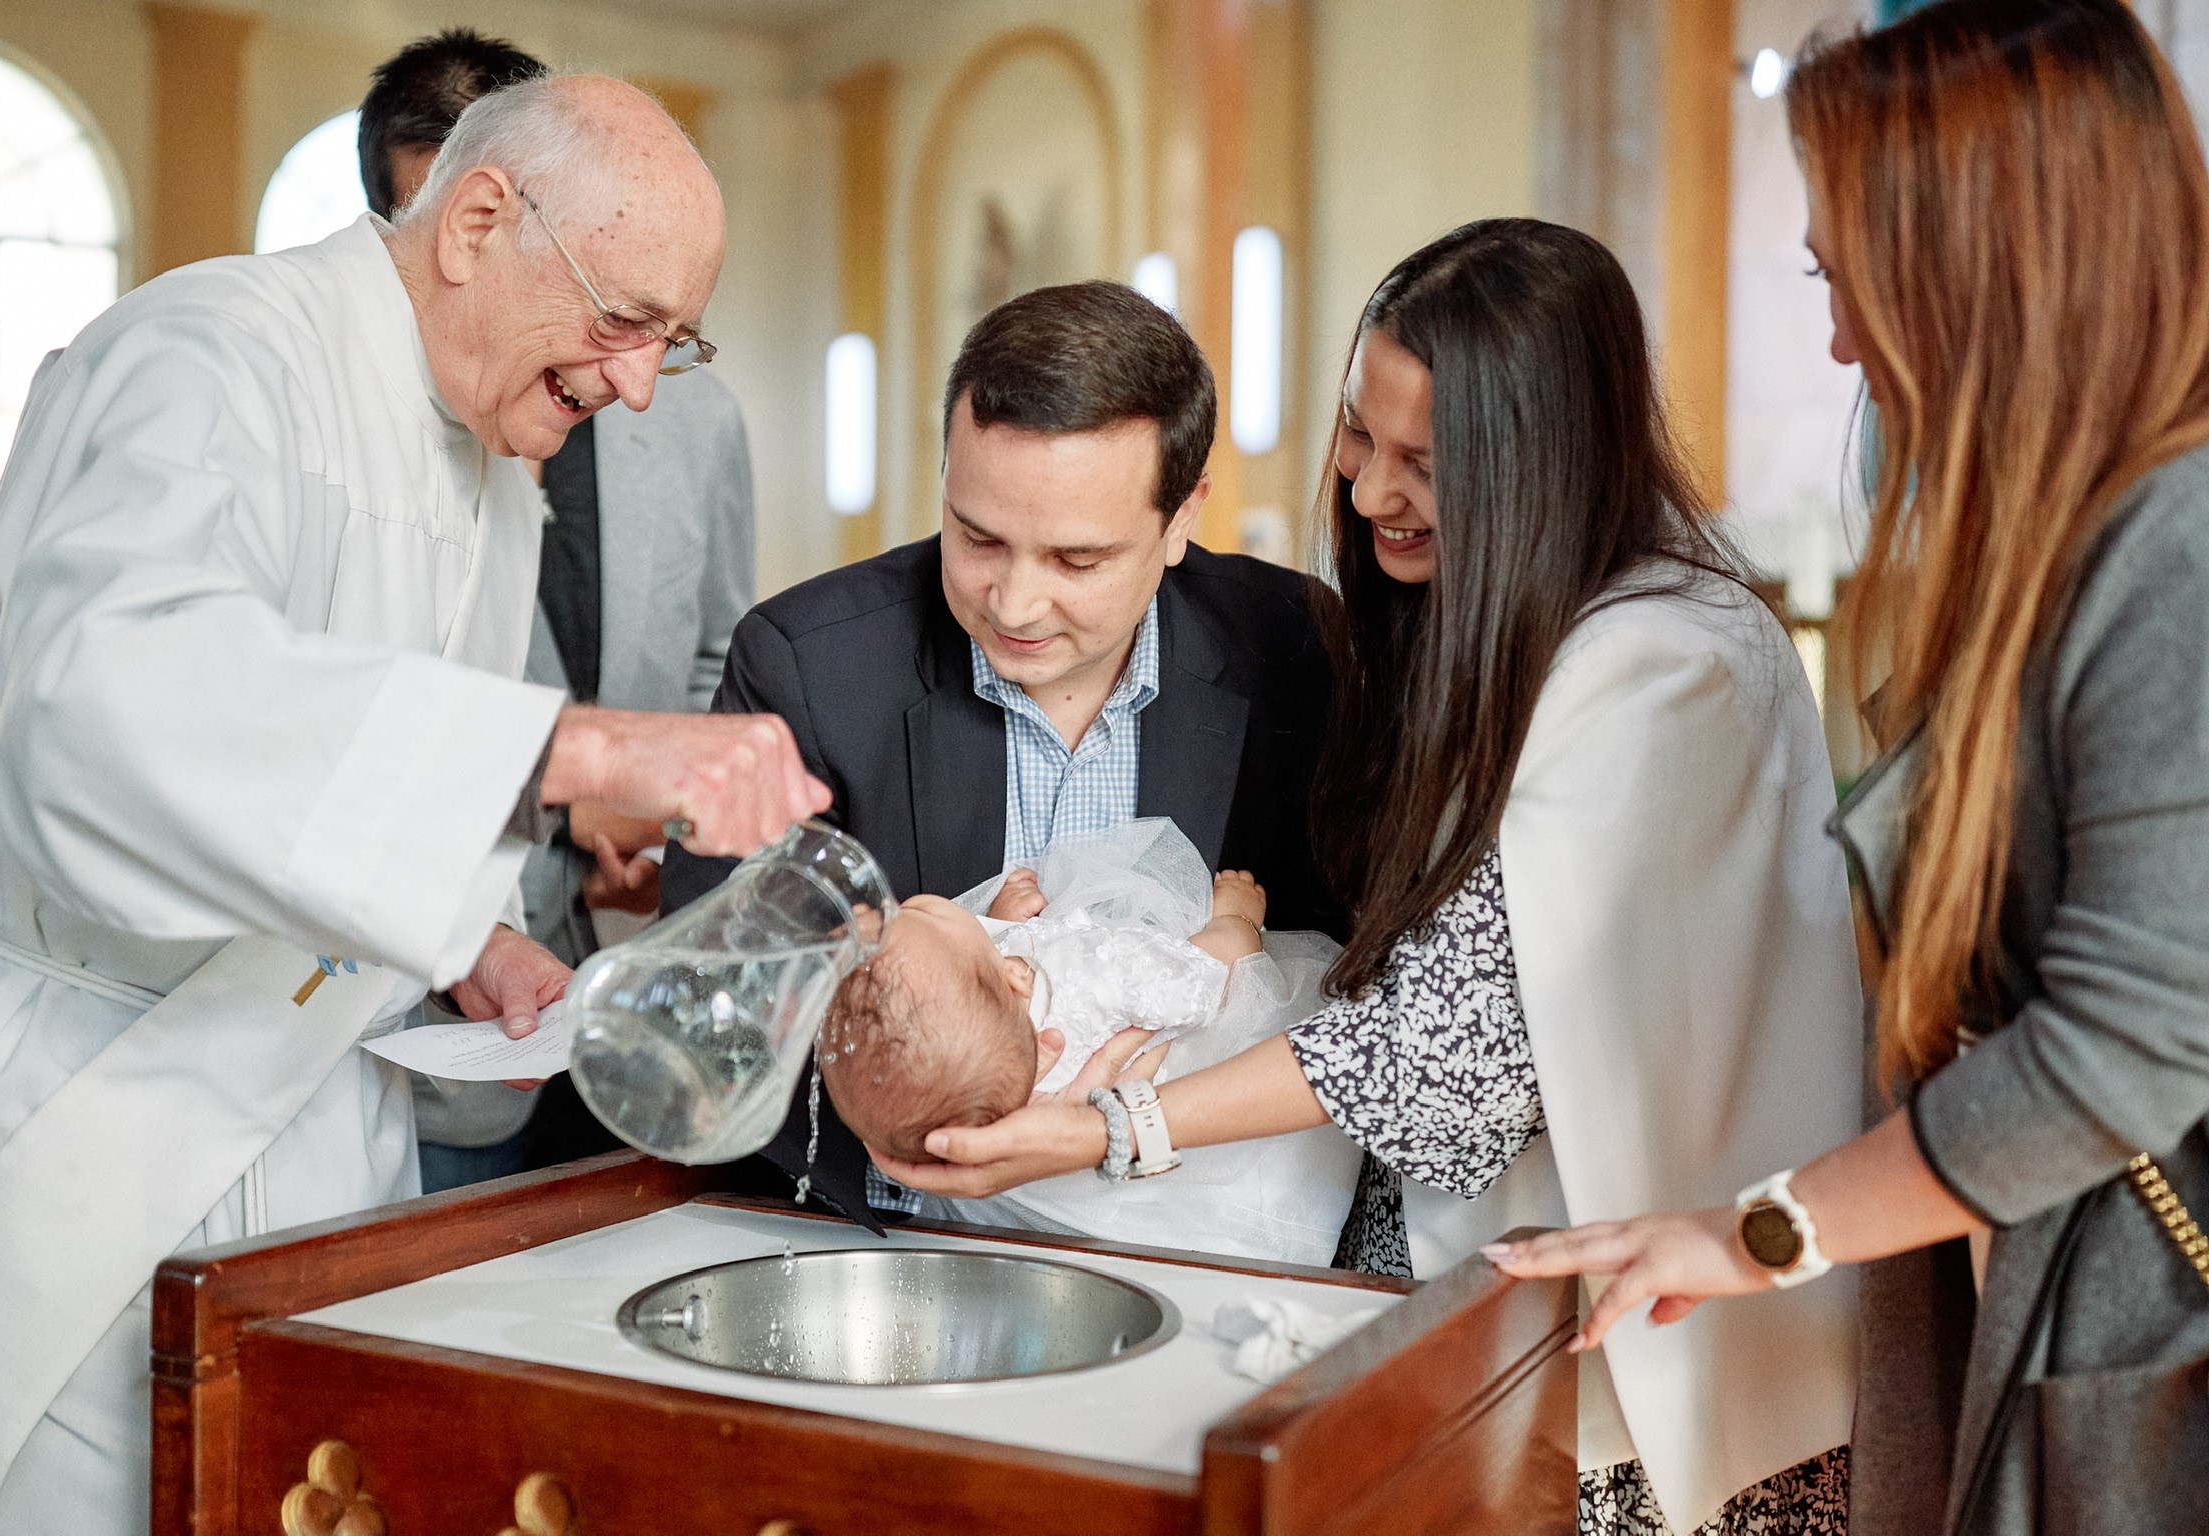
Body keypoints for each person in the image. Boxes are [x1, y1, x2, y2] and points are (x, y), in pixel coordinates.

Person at [0, 73, 826, 1536]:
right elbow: (113, 704)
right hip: (86, 1096)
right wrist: (574, 749)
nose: (642, 385)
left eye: (675, 338)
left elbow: (346, 788)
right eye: (625, 319)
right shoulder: (206, 355)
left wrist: (465, 939)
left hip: (322, 1103)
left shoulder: (488, 454)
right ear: (477, 221)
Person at [886, 221, 1864, 1536]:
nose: (1367, 493)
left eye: (1427, 465)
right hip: (1471, 1296)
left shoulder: (1664, 664)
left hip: (1636, 1318)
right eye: (1359, 435)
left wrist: (1109, 1128)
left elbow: (1449, 1064)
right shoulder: (1487, 629)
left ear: (1541, 464)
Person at [1488, 6, 2209, 1533]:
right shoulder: (2084, 540)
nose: (1836, 341)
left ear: (1981, 256)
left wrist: (1755, 1233)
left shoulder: (2179, 548)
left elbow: (2120, 1049)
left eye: (1843, 275)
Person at [660, 280, 1343, 1229]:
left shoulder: (1299, 651)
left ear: (1183, 516)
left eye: (1077, 561)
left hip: (1210, 1227)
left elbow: (1362, 978)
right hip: (894, 1232)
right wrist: (927, 1143)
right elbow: (709, 994)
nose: (1015, 605)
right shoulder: (807, 665)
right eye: (978, 537)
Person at [355, 30, 760, 1189]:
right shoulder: (357, 434)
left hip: (640, 962)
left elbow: (716, 654)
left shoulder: (687, 411)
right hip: (434, 1008)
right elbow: (325, 717)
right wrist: (566, 788)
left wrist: (658, 825)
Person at [821, 819, 1358, 1264]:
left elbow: (968, 975)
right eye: (925, 912)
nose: (906, 903)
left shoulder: (973, 1073)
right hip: (1231, 1142)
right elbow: (1202, 979)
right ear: (1014, 974)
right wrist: (1235, 920)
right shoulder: (1094, 981)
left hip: (1056, 1215)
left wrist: (1000, 926)